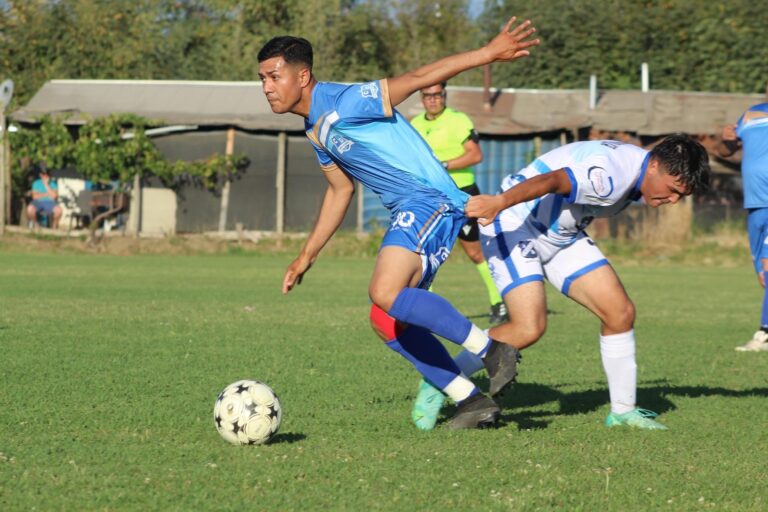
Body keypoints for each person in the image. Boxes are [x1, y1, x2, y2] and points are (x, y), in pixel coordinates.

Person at [258, 16, 539, 429]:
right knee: (387, 318)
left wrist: (488, 53)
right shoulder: (315, 130)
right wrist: (305, 256)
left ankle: (492, 350)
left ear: (303, 76)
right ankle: (471, 400)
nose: (266, 87)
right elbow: (340, 191)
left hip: (431, 201)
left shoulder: (344, 101)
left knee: (384, 291)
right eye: (262, 78)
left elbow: (419, 76)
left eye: (273, 76)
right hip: (413, 207)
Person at [414, 134, 711, 430]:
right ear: (654, 164)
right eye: (673, 190)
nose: (672, 200)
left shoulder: (639, 167)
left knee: (619, 313)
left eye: (680, 197)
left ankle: (623, 412)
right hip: (515, 224)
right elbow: (554, 180)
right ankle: (441, 377)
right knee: (528, 328)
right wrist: (500, 202)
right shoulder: (610, 175)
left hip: (562, 237)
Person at [410, 81, 508, 325]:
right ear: (422, 98)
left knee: (475, 251)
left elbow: (475, 154)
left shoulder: (458, 120)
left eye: (437, 95)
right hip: (431, 196)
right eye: (427, 96)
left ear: (444, 95)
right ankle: (426, 307)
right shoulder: (415, 125)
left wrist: (442, 166)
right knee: (424, 251)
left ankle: (499, 301)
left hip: (462, 194)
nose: (433, 100)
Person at [718, 103, 768, 352]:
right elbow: (725, 152)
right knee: (763, 274)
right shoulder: (750, 114)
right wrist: (726, 140)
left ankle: (764, 334)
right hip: (755, 204)